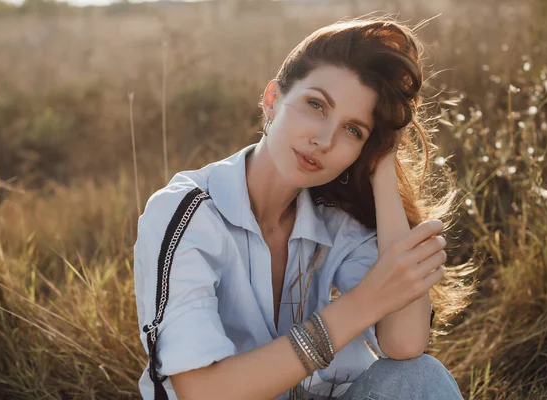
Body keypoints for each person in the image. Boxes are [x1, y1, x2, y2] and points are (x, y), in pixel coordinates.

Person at [134, 16, 469, 400]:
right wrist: (363, 304)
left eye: (353, 130)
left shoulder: (335, 218)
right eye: (315, 105)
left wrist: (384, 174)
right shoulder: (187, 212)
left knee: (418, 376)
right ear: (272, 100)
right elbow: (200, 391)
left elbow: (405, 344)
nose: (324, 140)